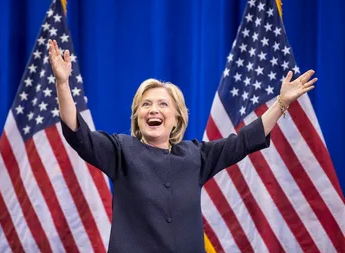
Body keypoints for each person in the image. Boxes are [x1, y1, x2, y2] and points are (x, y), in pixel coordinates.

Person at [48, 39, 317, 253]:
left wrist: (281, 104)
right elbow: (77, 133)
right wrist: (62, 83)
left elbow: (244, 141)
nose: (153, 110)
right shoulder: (120, 150)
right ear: (137, 117)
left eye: (162, 104)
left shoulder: (195, 156)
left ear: (177, 117)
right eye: (146, 104)